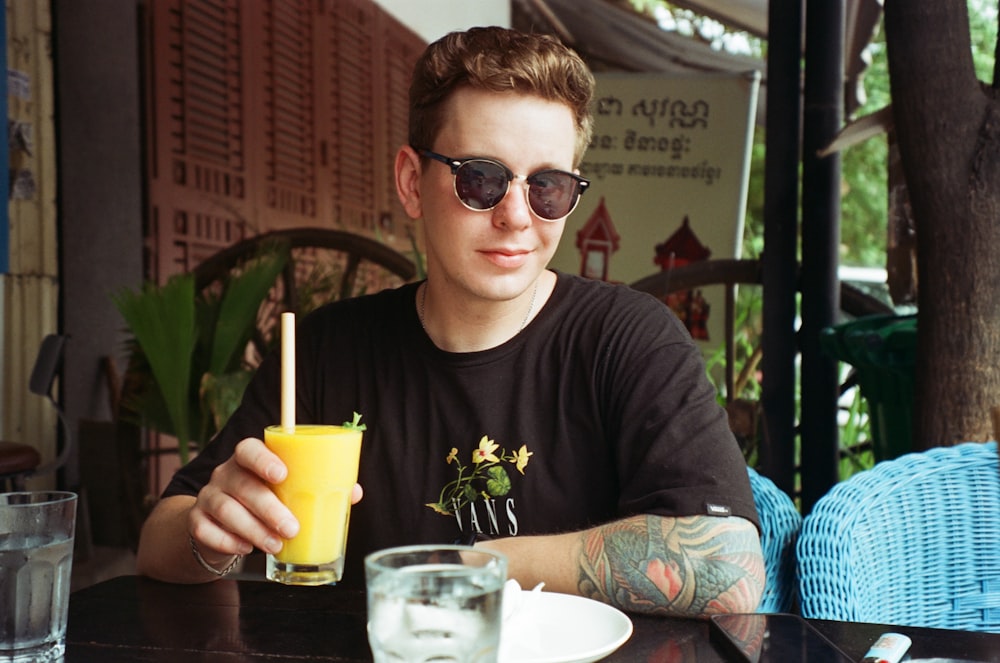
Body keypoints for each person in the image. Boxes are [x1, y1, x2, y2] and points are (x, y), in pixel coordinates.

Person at [136, 25, 764, 618]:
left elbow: (731, 569)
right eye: (482, 179)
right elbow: (158, 542)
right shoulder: (327, 349)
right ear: (412, 182)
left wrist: (461, 567)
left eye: (548, 186)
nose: (518, 216)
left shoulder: (628, 339)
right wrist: (209, 538)